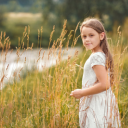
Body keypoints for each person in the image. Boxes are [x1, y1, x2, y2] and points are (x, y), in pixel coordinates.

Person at [70, 18, 121, 128]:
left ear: (101, 36)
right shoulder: (100, 54)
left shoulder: (96, 56)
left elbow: (105, 84)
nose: (87, 39)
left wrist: (82, 93)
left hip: (97, 102)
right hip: (102, 100)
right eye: (84, 36)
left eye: (91, 35)